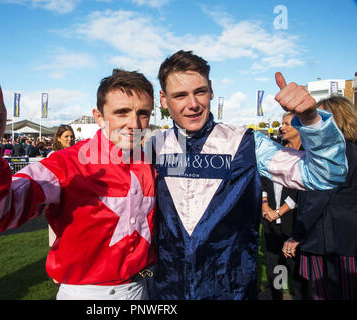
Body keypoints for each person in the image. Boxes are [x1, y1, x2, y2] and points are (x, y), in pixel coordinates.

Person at [146, 50, 347, 300]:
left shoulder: (245, 143)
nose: (193, 104)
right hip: (167, 293)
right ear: (163, 100)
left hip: (231, 291)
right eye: (180, 96)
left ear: (211, 90)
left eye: (199, 91)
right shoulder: (151, 148)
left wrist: (311, 118)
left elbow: (327, 174)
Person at [0, 69, 157, 300]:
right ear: (98, 116)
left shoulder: (149, 162)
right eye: (122, 112)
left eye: (143, 113)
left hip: (145, 288)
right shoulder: (63, 164)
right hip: (89, 294)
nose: (134, 123)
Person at [283, 96, 357, 300]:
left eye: (317, 117)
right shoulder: (350, 150)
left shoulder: (332, 155)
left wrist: (296, 235)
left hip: (329, 243)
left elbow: (317, 199)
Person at [260, 112, 309, 300]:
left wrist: (280, 211)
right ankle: (277, 295)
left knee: (296, 271)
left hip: (294, 223)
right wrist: (265, 206)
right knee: (275, 265)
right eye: (282, 123)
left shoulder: (307, 155)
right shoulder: (276, 151)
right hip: (270, 221)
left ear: (299, 128)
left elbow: (303, 190)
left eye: (287, 124)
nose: (282, 127)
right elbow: (264, 178)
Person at [47, 124, 76, 246]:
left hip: (74, 200)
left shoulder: (76, 154)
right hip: (58, 200)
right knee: (58, 240)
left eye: (72, 136)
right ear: (58, 138)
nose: (70, 139)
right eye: (66, 136)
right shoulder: (52, 156)